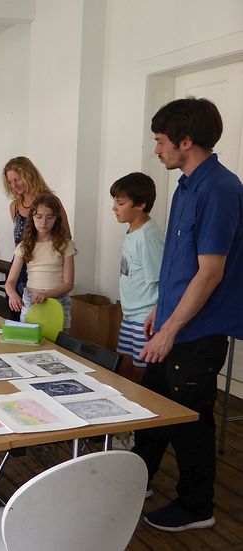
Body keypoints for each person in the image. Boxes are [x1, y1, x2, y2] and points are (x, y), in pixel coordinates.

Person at [134, 97, 243, 532]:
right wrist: (158, 311)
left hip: (197, 331)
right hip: (174, 321)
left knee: (190, 420)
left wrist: (170, 330)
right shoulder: (186, 185)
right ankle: (136, 480)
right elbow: (178, 261)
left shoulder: (219, 189)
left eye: (161, 141)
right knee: (153, 407)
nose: (156, 149)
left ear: (185, 141)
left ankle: (197, 506)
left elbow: (210, 271)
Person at [110, 172, 165, 384]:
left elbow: (162, 281)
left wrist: (155, 316)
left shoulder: (148, 237)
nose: (114, 208)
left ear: (141, 205)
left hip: (145, 317)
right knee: (123, 367)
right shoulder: (133, 229)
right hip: (130, 314)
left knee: (140, 374)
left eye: (120, 203)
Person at [2, 157, 71, 301]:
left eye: (17, 179)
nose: (14, 185)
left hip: (46, 271)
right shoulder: (14, 206)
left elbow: (66, 236)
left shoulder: (50, 201)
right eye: (10, 181)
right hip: (21, 267)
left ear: (29, 175)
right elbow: (20, 241)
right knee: (21, 311)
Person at [5, 194, 76, 328]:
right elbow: (10, 281)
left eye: (49, 217)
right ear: (32, 217)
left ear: (56, 218)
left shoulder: (66, 245)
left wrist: (46, 294)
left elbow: (68, 284)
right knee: (29, 337)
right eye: (39, 217)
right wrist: (12, 294)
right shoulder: (24, 246)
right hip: (31, 300)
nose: (44, 222)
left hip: (58, 300)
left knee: (58, 339)